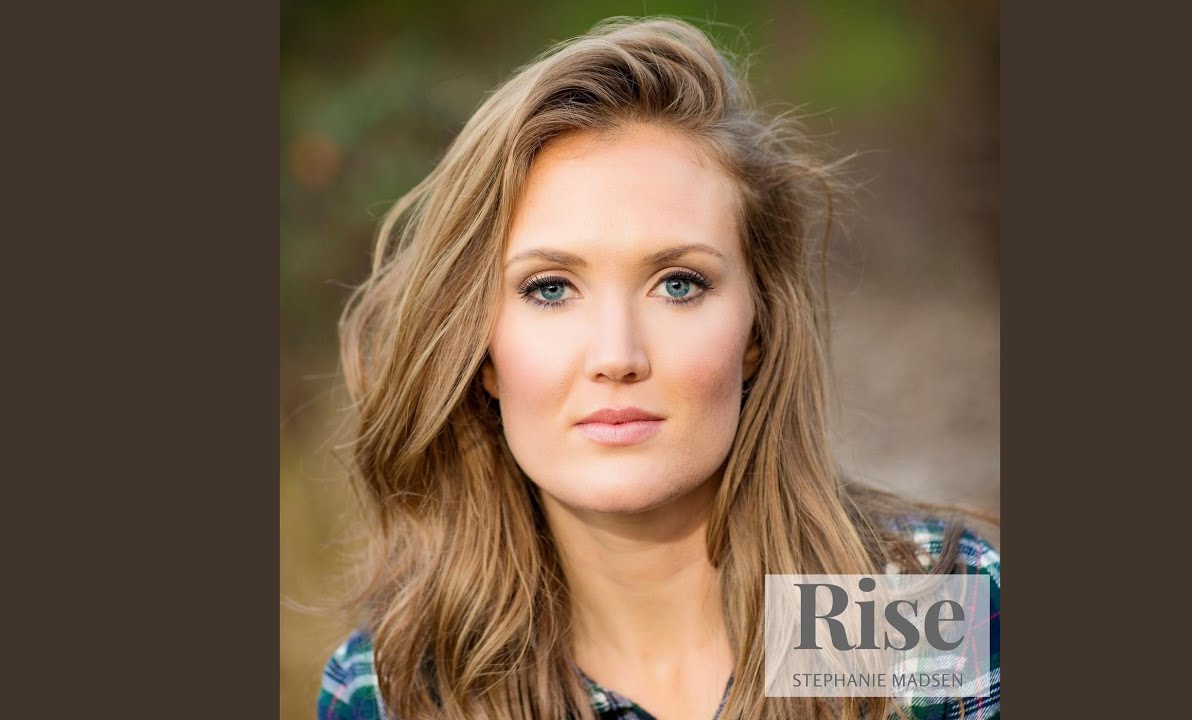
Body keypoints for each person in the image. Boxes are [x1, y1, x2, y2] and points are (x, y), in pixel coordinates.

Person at [316, 16, 999, 720]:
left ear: (758, 328)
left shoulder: (906, 613)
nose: (617, 356)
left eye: (677, 284)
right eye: (550, 289)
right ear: (482, 351)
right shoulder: (402, 690)